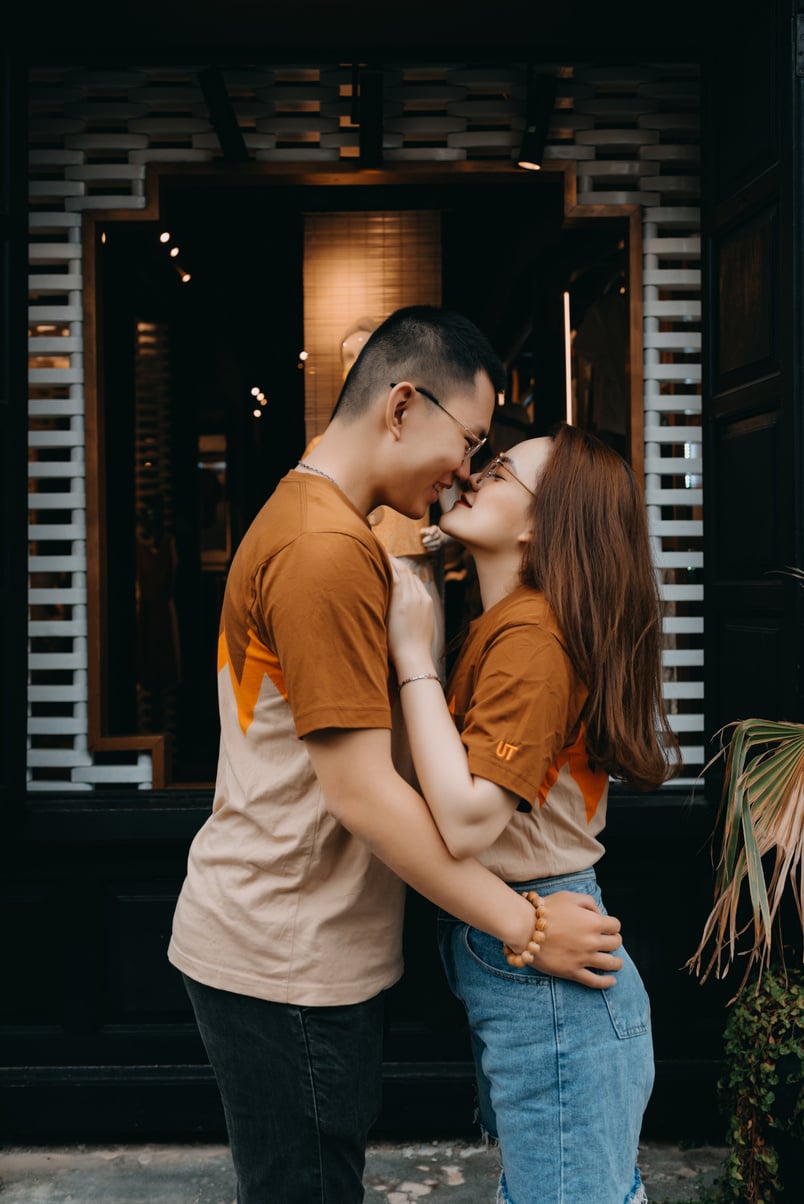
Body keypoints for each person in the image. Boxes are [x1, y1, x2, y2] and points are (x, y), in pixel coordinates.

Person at [167, 308, 626, 1204]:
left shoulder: (330, 524)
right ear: (403, 405)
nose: (467, 471)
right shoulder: (324, 549)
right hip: (288, 950)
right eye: (473, 441)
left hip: (301, 941)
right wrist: (528, 926)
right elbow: (365, 796)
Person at [387, 424, 681, 1204]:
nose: (476, 475)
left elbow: (468, 822)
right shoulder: (509, 625)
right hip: (538, 954)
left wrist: (415, 661)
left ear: (543, 522)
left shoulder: (534, 636)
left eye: (504, 470)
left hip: (550, 967)